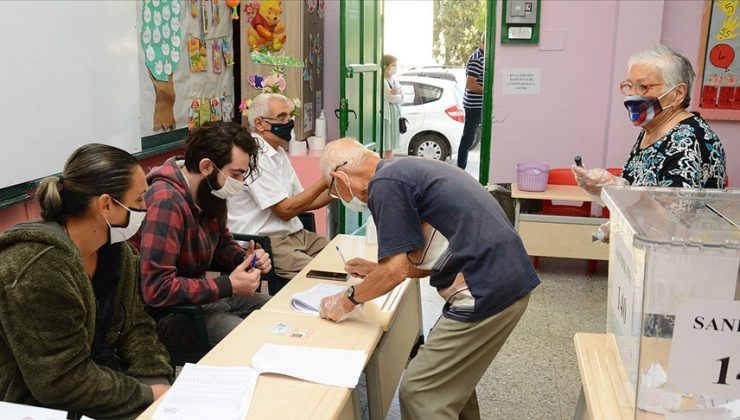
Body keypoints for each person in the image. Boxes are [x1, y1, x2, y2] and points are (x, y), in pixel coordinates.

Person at [318, 138, 540, 419]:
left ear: (339, 178)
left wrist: (347, 299)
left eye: (333, 190)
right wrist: (378, 271)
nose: (338, 197)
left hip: (485, 286)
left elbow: (396, 270)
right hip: (505, 275)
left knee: (420, 391)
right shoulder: (401, 170)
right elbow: (422, 262)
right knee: (451, 379)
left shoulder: (384, 184)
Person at [0, 144, 172, 419]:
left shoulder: (118, 253)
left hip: (99, 383)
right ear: (106, 205)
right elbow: (58, 380)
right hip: (34, 405)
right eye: (139, 200)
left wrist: (154, 378)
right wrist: (145, 395)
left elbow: (136, 326)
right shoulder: (37, 265)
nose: (146, 208)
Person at [130, 122, 272, 348]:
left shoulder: (210, 190)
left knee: (273, 312)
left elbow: (221, 242)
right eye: (236, 173)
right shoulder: (166, 201)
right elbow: (157, 290)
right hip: (162, 315)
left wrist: (243, 259)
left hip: (197, 299)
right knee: (246, 341)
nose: (240, 182)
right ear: (206, 166)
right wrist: (227, 285)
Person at [572, 45, 727, 241]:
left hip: (681, 259)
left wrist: (618, 189)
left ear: (678, 93)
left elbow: (673, 222)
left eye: (643, 87)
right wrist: (603, 188)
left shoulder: (688, 141)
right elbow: (637, 189)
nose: (632, 95)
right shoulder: (652, 130)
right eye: (629, 86)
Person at [227, 93, 332, 280]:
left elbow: (303, 201)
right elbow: (284, 210)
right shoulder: (254, 155)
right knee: (323, 275)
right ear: (259, 124)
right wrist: (325, 180)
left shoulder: (279, 152)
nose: (289, 122)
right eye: (282, 117)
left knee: (340, 260)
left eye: (290, 116)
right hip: (267, 241)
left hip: (295, 234)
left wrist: (341, 187)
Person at [457, 32, 485, 169]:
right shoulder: (477, 59)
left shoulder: (484, 57)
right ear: (483, 43)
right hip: (474, 106)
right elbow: (470, 84)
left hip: (478, 105)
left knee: (470, 138)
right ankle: (460, 169)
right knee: (468, 139)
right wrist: (488, 91)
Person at [382, 54, 404, 159]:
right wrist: (398, 97)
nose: (395, 68)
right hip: (388, 116)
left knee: (391, 144)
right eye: (393, 65)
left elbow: (402, 95)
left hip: (395, 114)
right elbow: (389, 97)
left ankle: (389, 163)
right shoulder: (382, 81)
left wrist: (397, 96)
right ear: (386, 66)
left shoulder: (395, 80)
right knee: (387, 143)